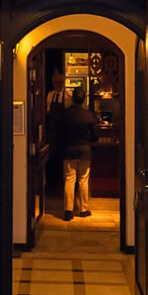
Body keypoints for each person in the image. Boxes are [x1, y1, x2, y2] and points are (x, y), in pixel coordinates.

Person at [60, 86, 98, 221]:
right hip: (85, 151)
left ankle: (68, 211)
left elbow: (60, 133)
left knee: (69, 180)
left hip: (69, 151)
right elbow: (95, 136)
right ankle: (83, 209)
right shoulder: (89, 115)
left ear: (73, 98)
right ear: (84, 99)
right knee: (83, 180)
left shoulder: (66, 114)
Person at [45, 72, 71, 190]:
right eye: (55, 82)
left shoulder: (68, 95)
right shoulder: (50, 95)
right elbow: (47, 111)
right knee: (52, 158)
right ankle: (52, 184)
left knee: (64, 159)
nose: (58, 85)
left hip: (65, 133)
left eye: (60, 82)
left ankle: (63, 183)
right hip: (53, 132)